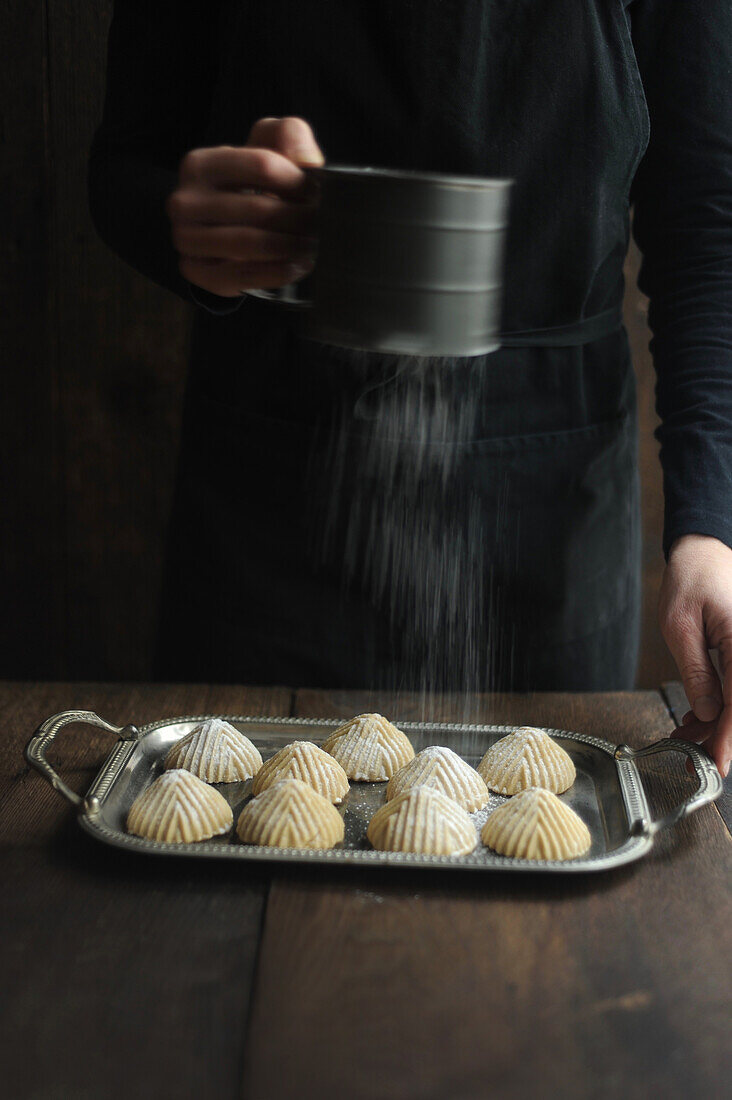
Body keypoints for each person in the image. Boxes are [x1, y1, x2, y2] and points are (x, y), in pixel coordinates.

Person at [89, 1, 732, 775]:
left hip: (551, 490)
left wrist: (709, 523)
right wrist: (187, 224)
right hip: (271, 467)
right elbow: (125, 158)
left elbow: (708, 213)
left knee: (541, 830)